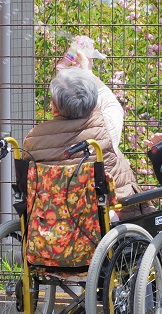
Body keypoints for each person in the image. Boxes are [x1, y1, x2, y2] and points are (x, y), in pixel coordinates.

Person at [24, 66, 152, 220]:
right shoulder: (105, 129)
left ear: (54, 108)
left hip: (53, 221)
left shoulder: (33, 140)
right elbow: (111, 104)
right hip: (104, 218)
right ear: (93, 102)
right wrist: (87, 70)